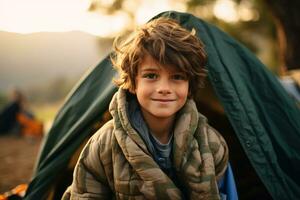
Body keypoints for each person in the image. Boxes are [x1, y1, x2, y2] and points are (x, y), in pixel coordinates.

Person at [63, 17, 231, 199]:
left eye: (177, 77)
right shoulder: (103, 145)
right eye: (151, 75)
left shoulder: (212, 144)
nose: (164, 88)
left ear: (189, 85)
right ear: (133, 82)